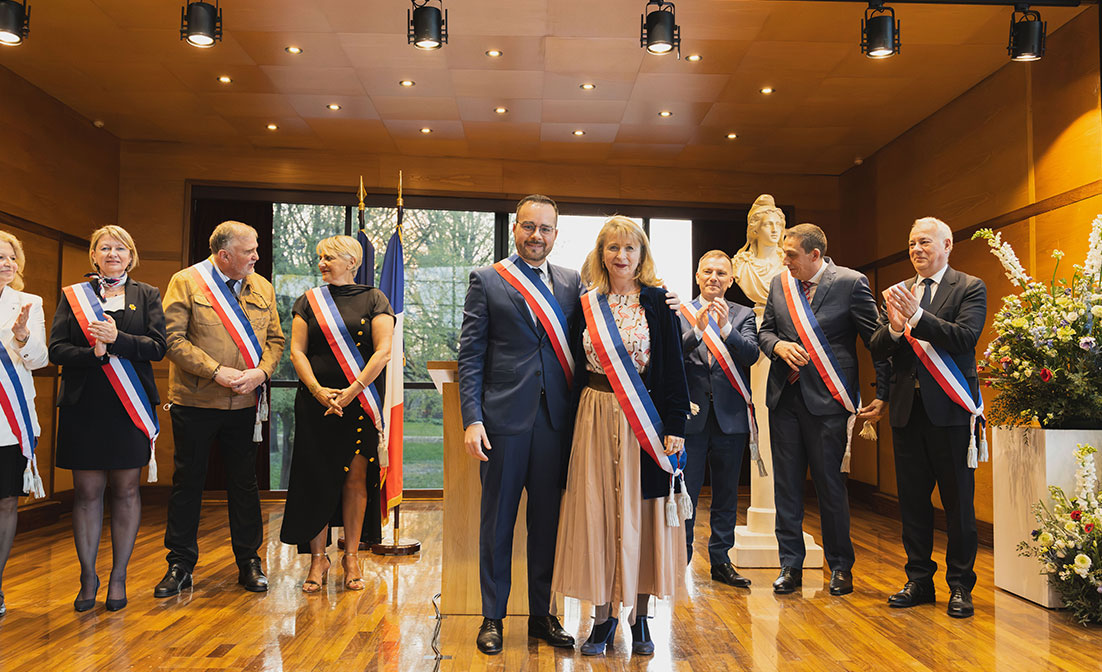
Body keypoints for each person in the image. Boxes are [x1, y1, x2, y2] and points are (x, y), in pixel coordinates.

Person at [552, 216, 691, 657]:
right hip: (592, 417)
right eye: (613, 247)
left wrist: (676, 427)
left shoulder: (659, 303)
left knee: (642, 516)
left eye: (630, 248)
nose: (621, 255)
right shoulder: (587, 304)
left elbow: (673, 370)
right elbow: (575, 369)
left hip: (643, 421)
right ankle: (602, 617)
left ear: (642, 254)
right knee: (598, 516)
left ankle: (639, 616)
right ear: (601, 254)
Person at [458, 194, 581, 655]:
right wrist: (472, 419)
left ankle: (542, 615)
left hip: (555, 423)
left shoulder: (571, 282)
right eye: (528, 226)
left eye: (545, 228)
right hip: (502, 422)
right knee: (498, 524)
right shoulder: (488, 279)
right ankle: (492, 616)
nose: (536, 236)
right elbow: (471, 355)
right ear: (515, 229)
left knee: (548, 524)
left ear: (556, 234)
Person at [156, 220, 285, 598]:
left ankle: (249, 561)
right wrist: (215, 371)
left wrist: (261, 372)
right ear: (224, 255)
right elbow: (171, 339)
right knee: (188, 483)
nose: (256, 257)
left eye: (256, 249)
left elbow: (275, 340)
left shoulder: (262, 287)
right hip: (195, 401)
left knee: (245, 484)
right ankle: (180, 564)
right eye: (249, 251)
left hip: (245, 402)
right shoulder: (186, 282)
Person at [758, 223, 887, 597]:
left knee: (830, 485)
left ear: (815, 255)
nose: (785, 261)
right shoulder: (779, 284)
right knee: (786, 487)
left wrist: (883, 391)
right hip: (784, 399)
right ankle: (790, 566)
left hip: (830, 401)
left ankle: (840, 567)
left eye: (791, 254)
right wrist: (777, 346)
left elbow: (875, 341)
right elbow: (765, 331)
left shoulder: (851, 282)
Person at [870, 217, 986, 619]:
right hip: (908, 412)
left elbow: (965, 338)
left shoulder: (968, 287)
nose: (916, 250)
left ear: (947, 244)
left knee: (958, 505)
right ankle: (919, 580)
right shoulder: (899, 291)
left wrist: (917, 317)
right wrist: (895, 329)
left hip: (951, 412)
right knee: (913, 504)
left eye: (924, 242)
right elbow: (877, 346)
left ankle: (960, 585)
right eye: (911, 244)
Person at [50, 225, 167, 612]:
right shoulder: (73, 296)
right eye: (104, 248)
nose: (112, 253)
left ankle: (118, 577)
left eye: (120, 248)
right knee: (86, 493)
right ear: (94, 256)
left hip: (129, 407)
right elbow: (57, 350)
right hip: (84, 405)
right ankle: (88, 577)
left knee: (126, 491)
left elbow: (158, 347)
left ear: (131, 256)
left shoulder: (146, 294)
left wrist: (119, 340)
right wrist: (95, 354)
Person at [280, 235, 394, 593]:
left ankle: (351, 557)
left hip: (358, 401)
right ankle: (318, 559)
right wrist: (318, 391)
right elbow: (297, 352)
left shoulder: (375, 299)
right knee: (315, 478)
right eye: (321, 258)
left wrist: (353, 391)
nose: (322, 264)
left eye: (329, 257)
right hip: (316, 402)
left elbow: (383, 351)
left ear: (351, 262)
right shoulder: (308, 301)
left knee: (355, 480)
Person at [678, 250, 758, 587]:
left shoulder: (744, 315)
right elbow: (671, 355)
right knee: (686, 494)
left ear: (731, 280)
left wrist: (725, 328)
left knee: (726, 494)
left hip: (730, 418)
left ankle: (721, 561)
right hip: (690, 418)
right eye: (708, 271)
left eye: (721, 273)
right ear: (698, 276)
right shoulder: (680, 312)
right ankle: (679, 559)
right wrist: (697, 331)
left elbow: (751, 355)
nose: (714, 277)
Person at [0, 231, 49, 617]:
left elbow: (40, 360)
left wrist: (23, 337)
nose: (7, 263)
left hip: (10, 421)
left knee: (6, 502)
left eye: (11, 257)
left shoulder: (29, 303)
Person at [731, 194, 786, 307]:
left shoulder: (789, 264)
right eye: (768, 224)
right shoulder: (741, 265)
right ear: (755, 230)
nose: (775, 230)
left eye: (778, 224)